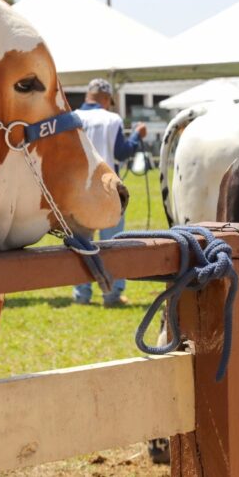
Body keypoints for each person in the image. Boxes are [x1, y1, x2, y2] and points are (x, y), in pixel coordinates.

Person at [72, 78, 147, 306]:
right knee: (112, 244)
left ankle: (82, 294)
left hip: (79, 189)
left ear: (88, 95)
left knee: (82, 245)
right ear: (106, 99)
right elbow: (122, 153)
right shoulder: (112, 119)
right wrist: (137, 136)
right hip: (108, 189)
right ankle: (111, 294)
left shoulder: (73, 117)